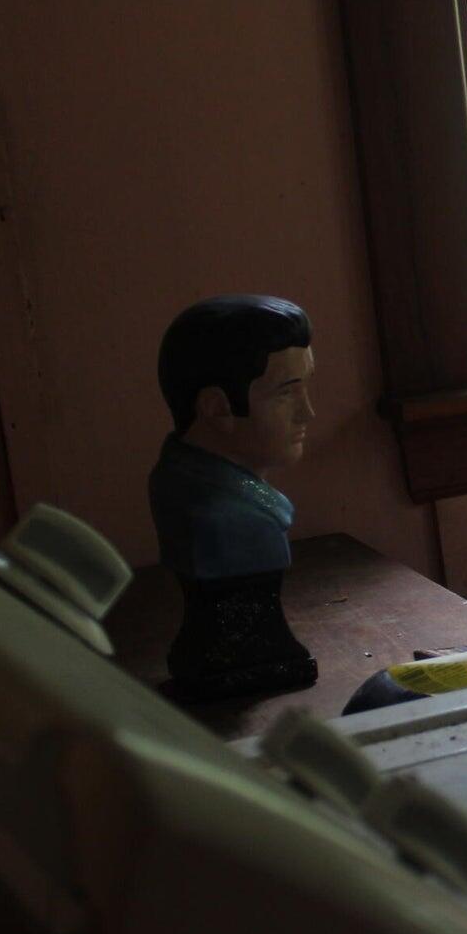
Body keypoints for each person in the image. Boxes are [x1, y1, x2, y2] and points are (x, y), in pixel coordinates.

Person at [148, 295, 319, 700]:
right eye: (285, 393)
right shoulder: (232, 519)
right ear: (217, 408)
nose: (307, 413)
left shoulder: (174, 480)